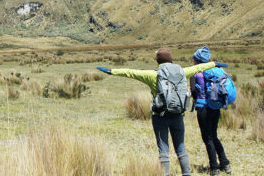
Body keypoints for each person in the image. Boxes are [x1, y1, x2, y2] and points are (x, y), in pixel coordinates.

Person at [96, 48, 228, 176]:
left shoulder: (154, 75)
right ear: (171, 60)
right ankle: (186, 173)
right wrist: (215, 63)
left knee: (163, 149)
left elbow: (131, 72)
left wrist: (111, 71)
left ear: (157, 61)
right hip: (177, 115)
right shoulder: (183, 71)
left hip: (159, 117)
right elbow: (199, 68)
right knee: (181, 148)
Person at [190, 46, 231, 175]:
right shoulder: (215, 70)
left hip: (203, 108)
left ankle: (214, 168)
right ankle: (225, 163)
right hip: (215, 107)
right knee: (214, 135)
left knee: (207, 138)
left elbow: (193, 91)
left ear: (196, 60)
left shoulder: (194, 72)